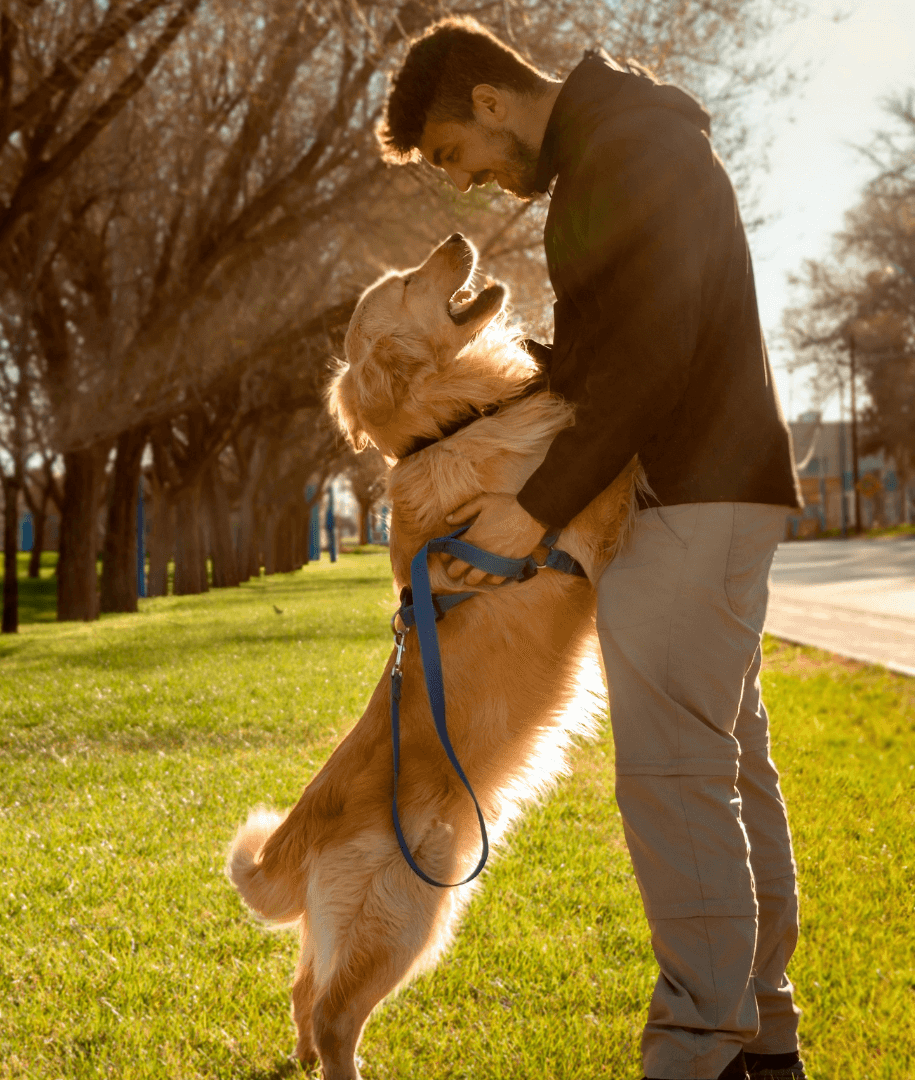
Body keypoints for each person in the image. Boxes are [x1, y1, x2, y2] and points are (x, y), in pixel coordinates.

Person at [375, 18, 808, 1080]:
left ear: (490, 102)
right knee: (725, 763)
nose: (465, 181)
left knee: (674, 777)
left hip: (690, 490)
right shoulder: (617, 149)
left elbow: (653, 357)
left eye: (454, 153)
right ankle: (762, 1037)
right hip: (700, 488)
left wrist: (534, 509)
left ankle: (701, 1049)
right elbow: (613, 356)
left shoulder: (627, 152)